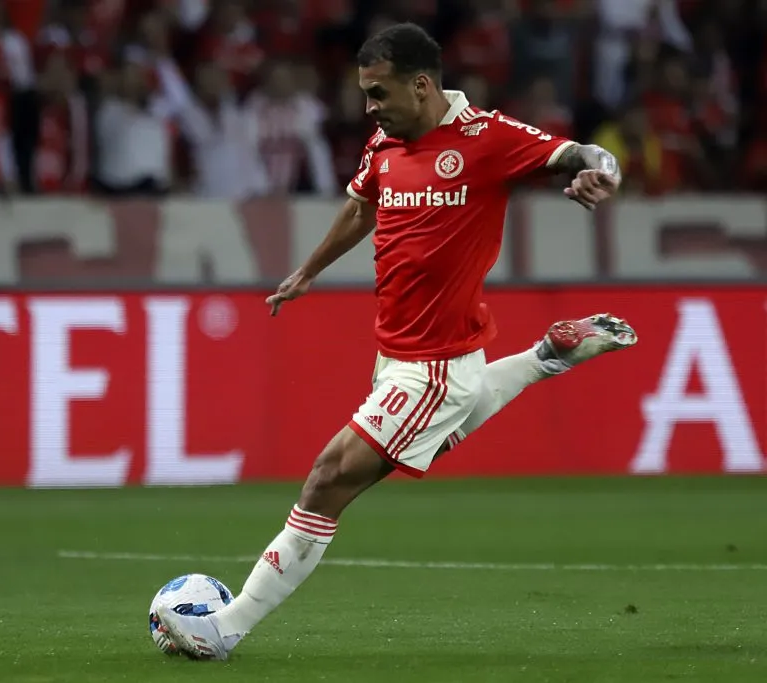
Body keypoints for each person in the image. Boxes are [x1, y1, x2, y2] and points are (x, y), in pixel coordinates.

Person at [156, 23, 636, 660]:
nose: (368, 106)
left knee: (327, 480)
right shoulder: (386, 141)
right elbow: (362, 205)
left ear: (422, 85)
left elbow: (580, 153)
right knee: (413, 446)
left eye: (378, 92)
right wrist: (308, 270)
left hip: (433, 366)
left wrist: (604, 170)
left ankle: (225, 628)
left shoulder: (487, 138)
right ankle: (546, 357)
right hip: (400, 356)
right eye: (365, 93)